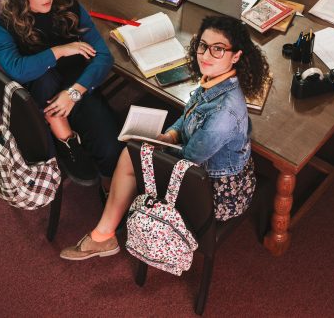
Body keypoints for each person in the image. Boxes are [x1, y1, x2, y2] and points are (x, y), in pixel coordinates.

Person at [59, 15, 271, 260]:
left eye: (218, 49)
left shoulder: (224, 113)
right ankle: (110, 220)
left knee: (130, 155)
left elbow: (189, 160)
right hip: (202, 168)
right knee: (134, 152)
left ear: (236, 56)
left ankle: (104, 233)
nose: (205, 55)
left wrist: (153, 149)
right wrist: (169, 135)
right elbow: (188, 114)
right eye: (203, 45)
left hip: (218, 193)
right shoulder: (215, 80)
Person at [0, 0, 122, 187]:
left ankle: (110, 190)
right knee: (44, 77)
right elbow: (17, 70)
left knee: (112, 149)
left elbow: (103, 56)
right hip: (39, 97)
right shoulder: (1, 28)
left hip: (77, 87)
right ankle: (64, 139)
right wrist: (60, 51)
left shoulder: (71, 8)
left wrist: (74, 93)